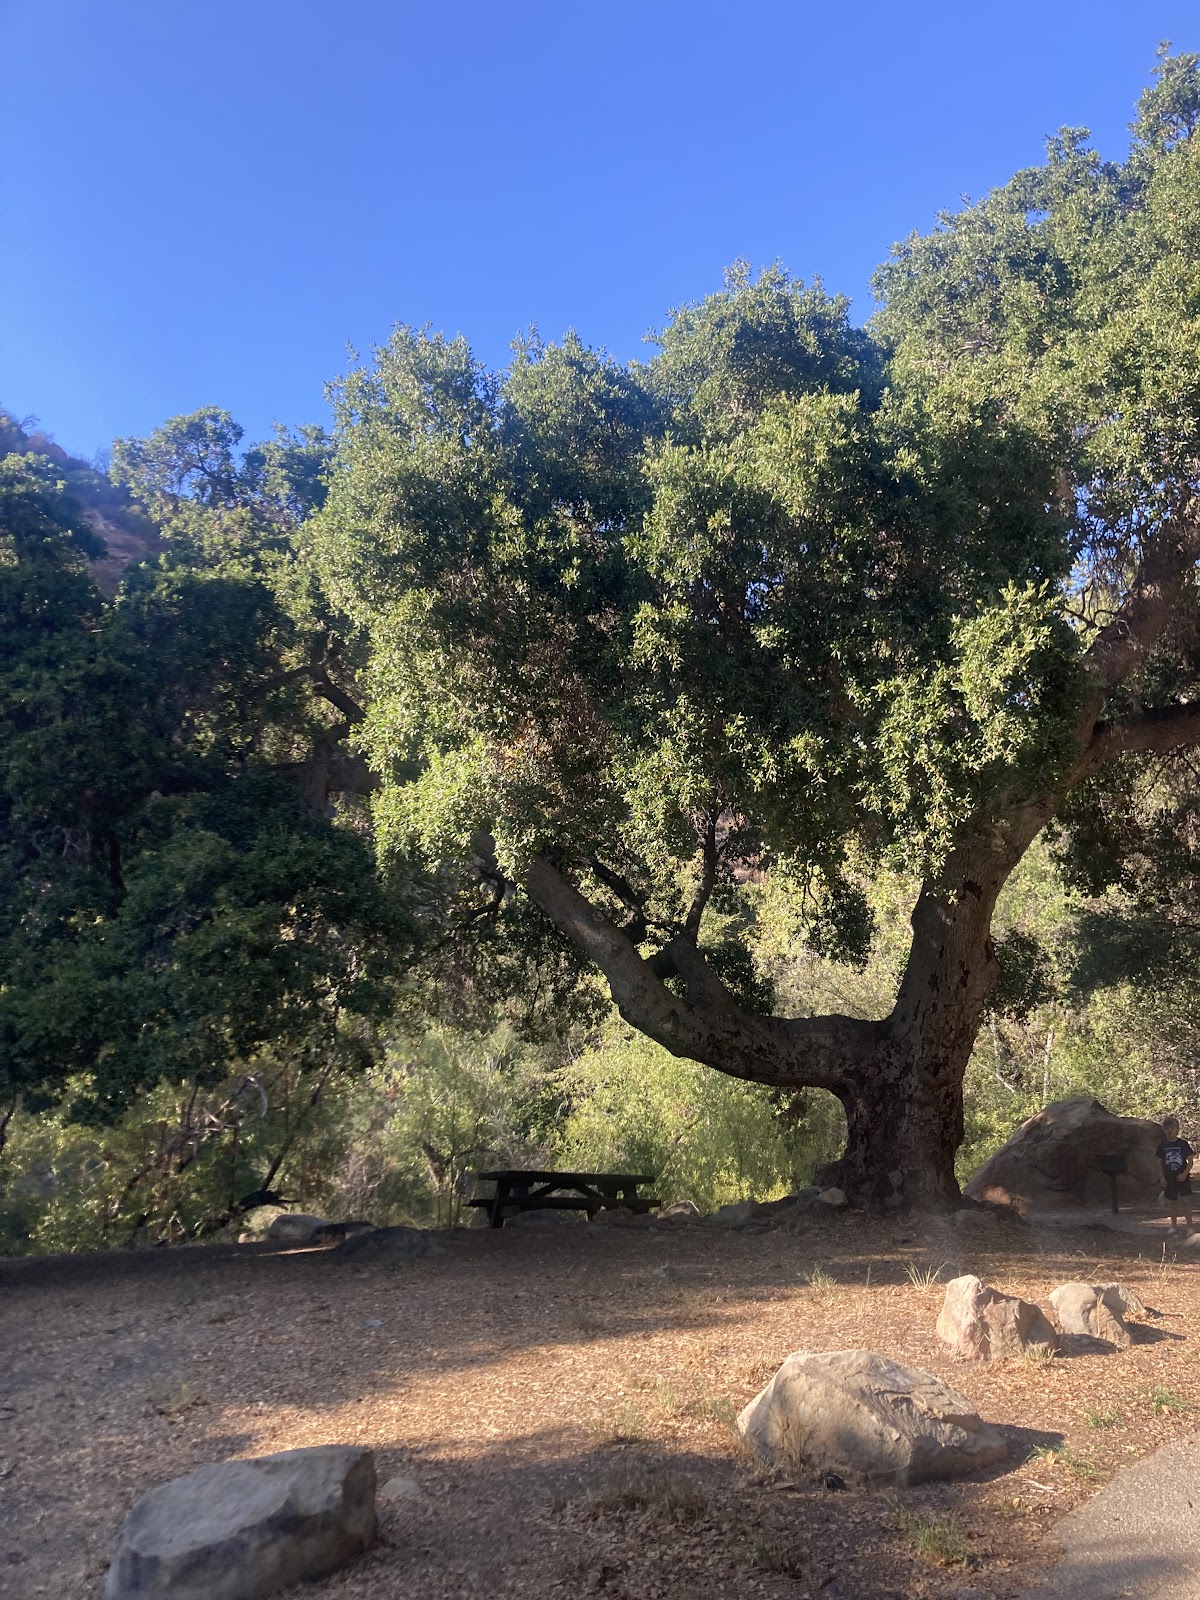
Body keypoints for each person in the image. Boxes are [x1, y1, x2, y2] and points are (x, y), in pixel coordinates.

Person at [1156, 1116, 1195, 1238]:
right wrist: (1162, 1178)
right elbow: (1159, 1163)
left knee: (1186, 1201)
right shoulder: (1163, 1145)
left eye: (1172, 1128)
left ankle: (1190, 1227)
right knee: (1172, 1202)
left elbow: (1190, 1161)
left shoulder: (1183, 1144)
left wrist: (1184, 1174)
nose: (1169, 1130)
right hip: (1169, 1178)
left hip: (1182, 1177)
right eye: (1167, 1128)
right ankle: (1173, 1226)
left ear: (1177, 1129)